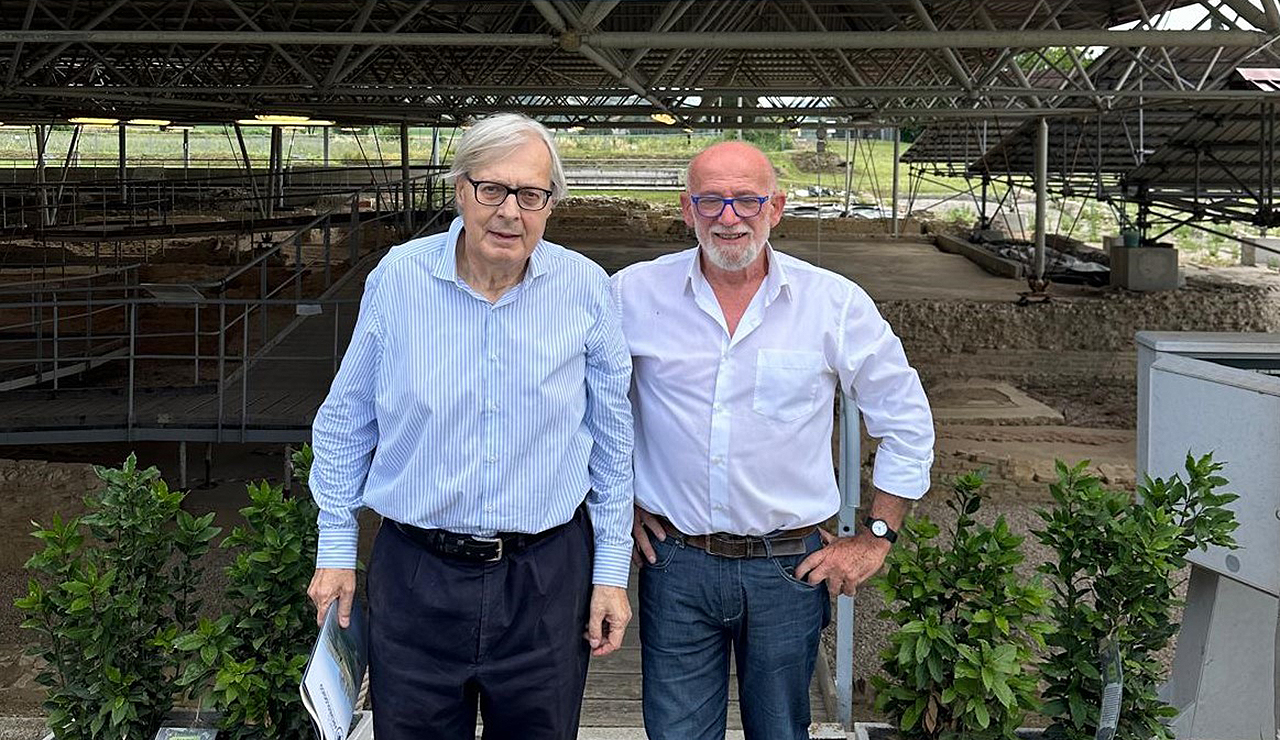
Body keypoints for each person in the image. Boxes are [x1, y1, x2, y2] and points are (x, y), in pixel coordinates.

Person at [307, 112, 634, 740]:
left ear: (549, 207)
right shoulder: (399, 279)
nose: (511, 211)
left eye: (532, 195)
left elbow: (613, 441)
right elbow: (348, 420)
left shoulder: (585, 287)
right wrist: (337, 549)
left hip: (544, 577)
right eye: (493, 189)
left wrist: (610, 573)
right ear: (460, 191)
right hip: (418, 572)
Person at [611, 140, 934, 740]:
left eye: (746, 200)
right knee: (676, 732)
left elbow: (905, 417)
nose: (728, 217)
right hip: (675, 562)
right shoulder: (632, 294)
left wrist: (877, 537)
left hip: (788, 567)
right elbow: (590, 408)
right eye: (710, 201)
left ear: (776, 208)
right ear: (687, 209)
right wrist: (617, 499)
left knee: (781, 731)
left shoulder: (832, 303)